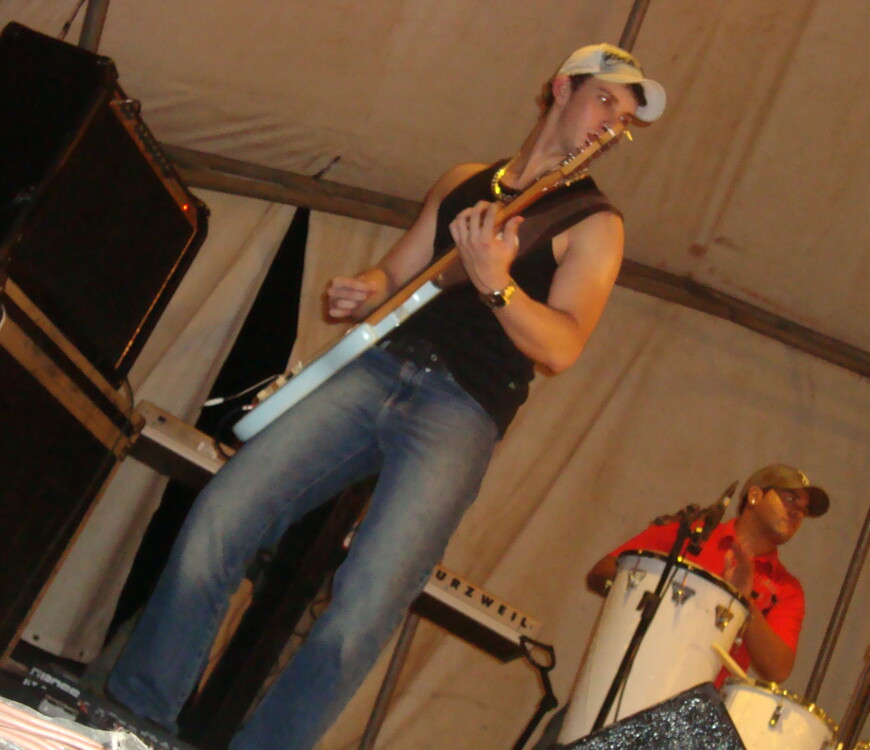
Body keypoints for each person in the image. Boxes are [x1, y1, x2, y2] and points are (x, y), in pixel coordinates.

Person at [106, 43, 666, 750]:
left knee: (365, 606)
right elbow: (396, 274)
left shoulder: (595, 224)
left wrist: (497, 282)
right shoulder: (465, 180)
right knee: (222, 514)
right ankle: (135, 719)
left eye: (626, 117)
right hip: (376, 368)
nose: (612, 123)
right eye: (605, 100)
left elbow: (561, 345)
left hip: (462, 410)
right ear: (562, 89)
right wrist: (364, 289)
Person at [586, 464, 830, 684]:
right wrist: (660, 600)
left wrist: (744, 602)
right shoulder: (687, 535)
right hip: (627, 676)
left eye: (804, 509)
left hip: (694, 707)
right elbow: (601, 573)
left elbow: (778, 670)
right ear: (755, 496)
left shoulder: (787, 589)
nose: (797, 512)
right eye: (789, 498)